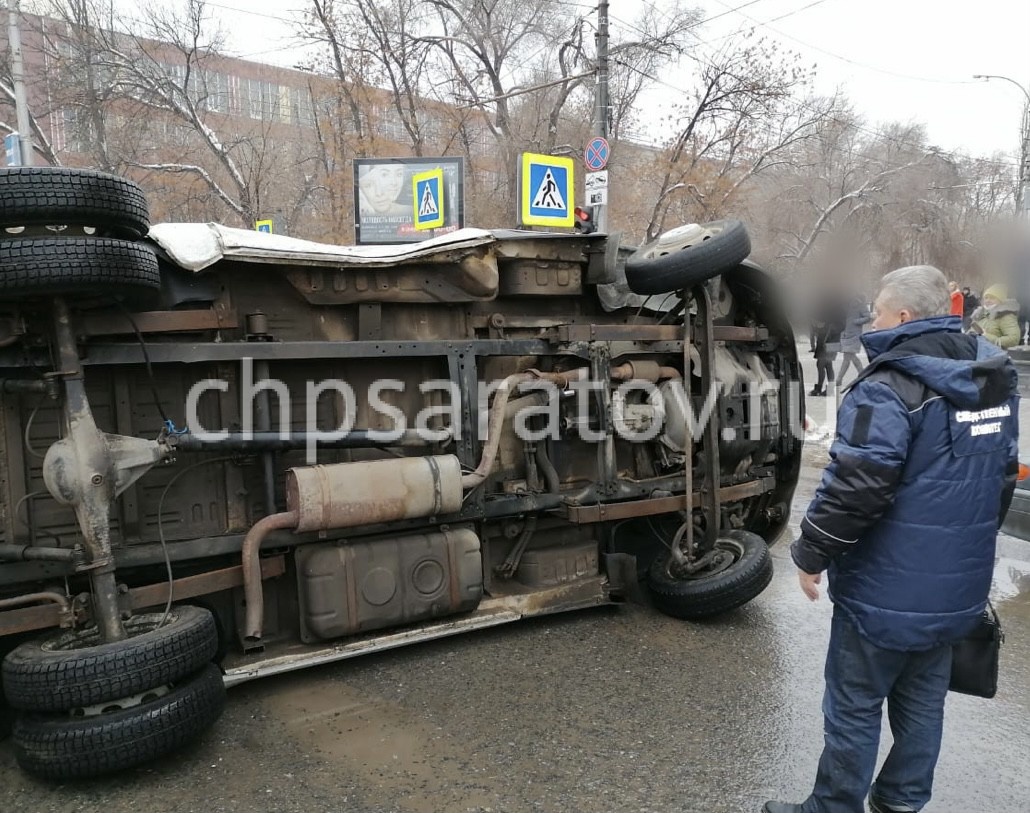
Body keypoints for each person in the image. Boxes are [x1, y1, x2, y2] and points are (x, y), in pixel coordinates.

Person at [763, 265, 1019, 813]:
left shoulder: (887, 386)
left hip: (884, 587)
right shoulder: (992, 377)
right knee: (924, 701)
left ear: (902, 316)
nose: (872, 318)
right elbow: (1000, 477)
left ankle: (833, 807)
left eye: (878, 310)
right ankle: (901, 801)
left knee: (854, 703)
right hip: (955, 585)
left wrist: (810, 552)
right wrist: (964, 549)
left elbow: (857, 486)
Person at [968, 284, 1021, 349]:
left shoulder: (1006, 316)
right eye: (986, 298)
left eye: (992, 298)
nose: (988, 300)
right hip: (976, 352)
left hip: (996, 355)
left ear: (1000, 300)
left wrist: (986, 336)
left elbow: (1013, 340)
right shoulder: (980, 315)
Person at [809, 299, 844, 396]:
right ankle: (828, 389)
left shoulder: (835, 310)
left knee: (821, 364)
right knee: (827, 365)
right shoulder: (833, 309)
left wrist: (825, 328)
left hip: (828, 340)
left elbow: (835, 326)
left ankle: (819, 388)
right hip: (827, 339)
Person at [835, 293, 870, 387]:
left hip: (854, 334)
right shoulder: (846, 304)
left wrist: (856, 322)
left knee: (848, 357)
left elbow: (867, 317)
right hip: (846, 334)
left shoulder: (860, 304)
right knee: (850, 357)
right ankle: (862, 374)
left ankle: (839, 379)